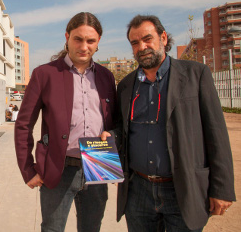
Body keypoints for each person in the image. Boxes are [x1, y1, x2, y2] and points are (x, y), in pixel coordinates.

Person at [101, 14, 236, 231]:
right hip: (138, 193)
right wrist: (111, 137)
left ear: (163, 38)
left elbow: (216, 133)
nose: (141, 47)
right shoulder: (126, 86)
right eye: (135, 43)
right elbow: (123, 130)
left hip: (183, 190)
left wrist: (222, 189)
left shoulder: (196, 74)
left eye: (147, 39)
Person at [15, 12, 116, 232]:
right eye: (78, 39)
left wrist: (112, 138)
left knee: (92, 228)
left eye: (91, 41)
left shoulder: (106, 77)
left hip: (98, 163)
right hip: (58, 168)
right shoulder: (45, 74)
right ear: (67, 37)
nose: (84, 46)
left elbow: (113, 122)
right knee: (52, 228)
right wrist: (27, 169)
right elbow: (23, 124)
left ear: (98, 43)